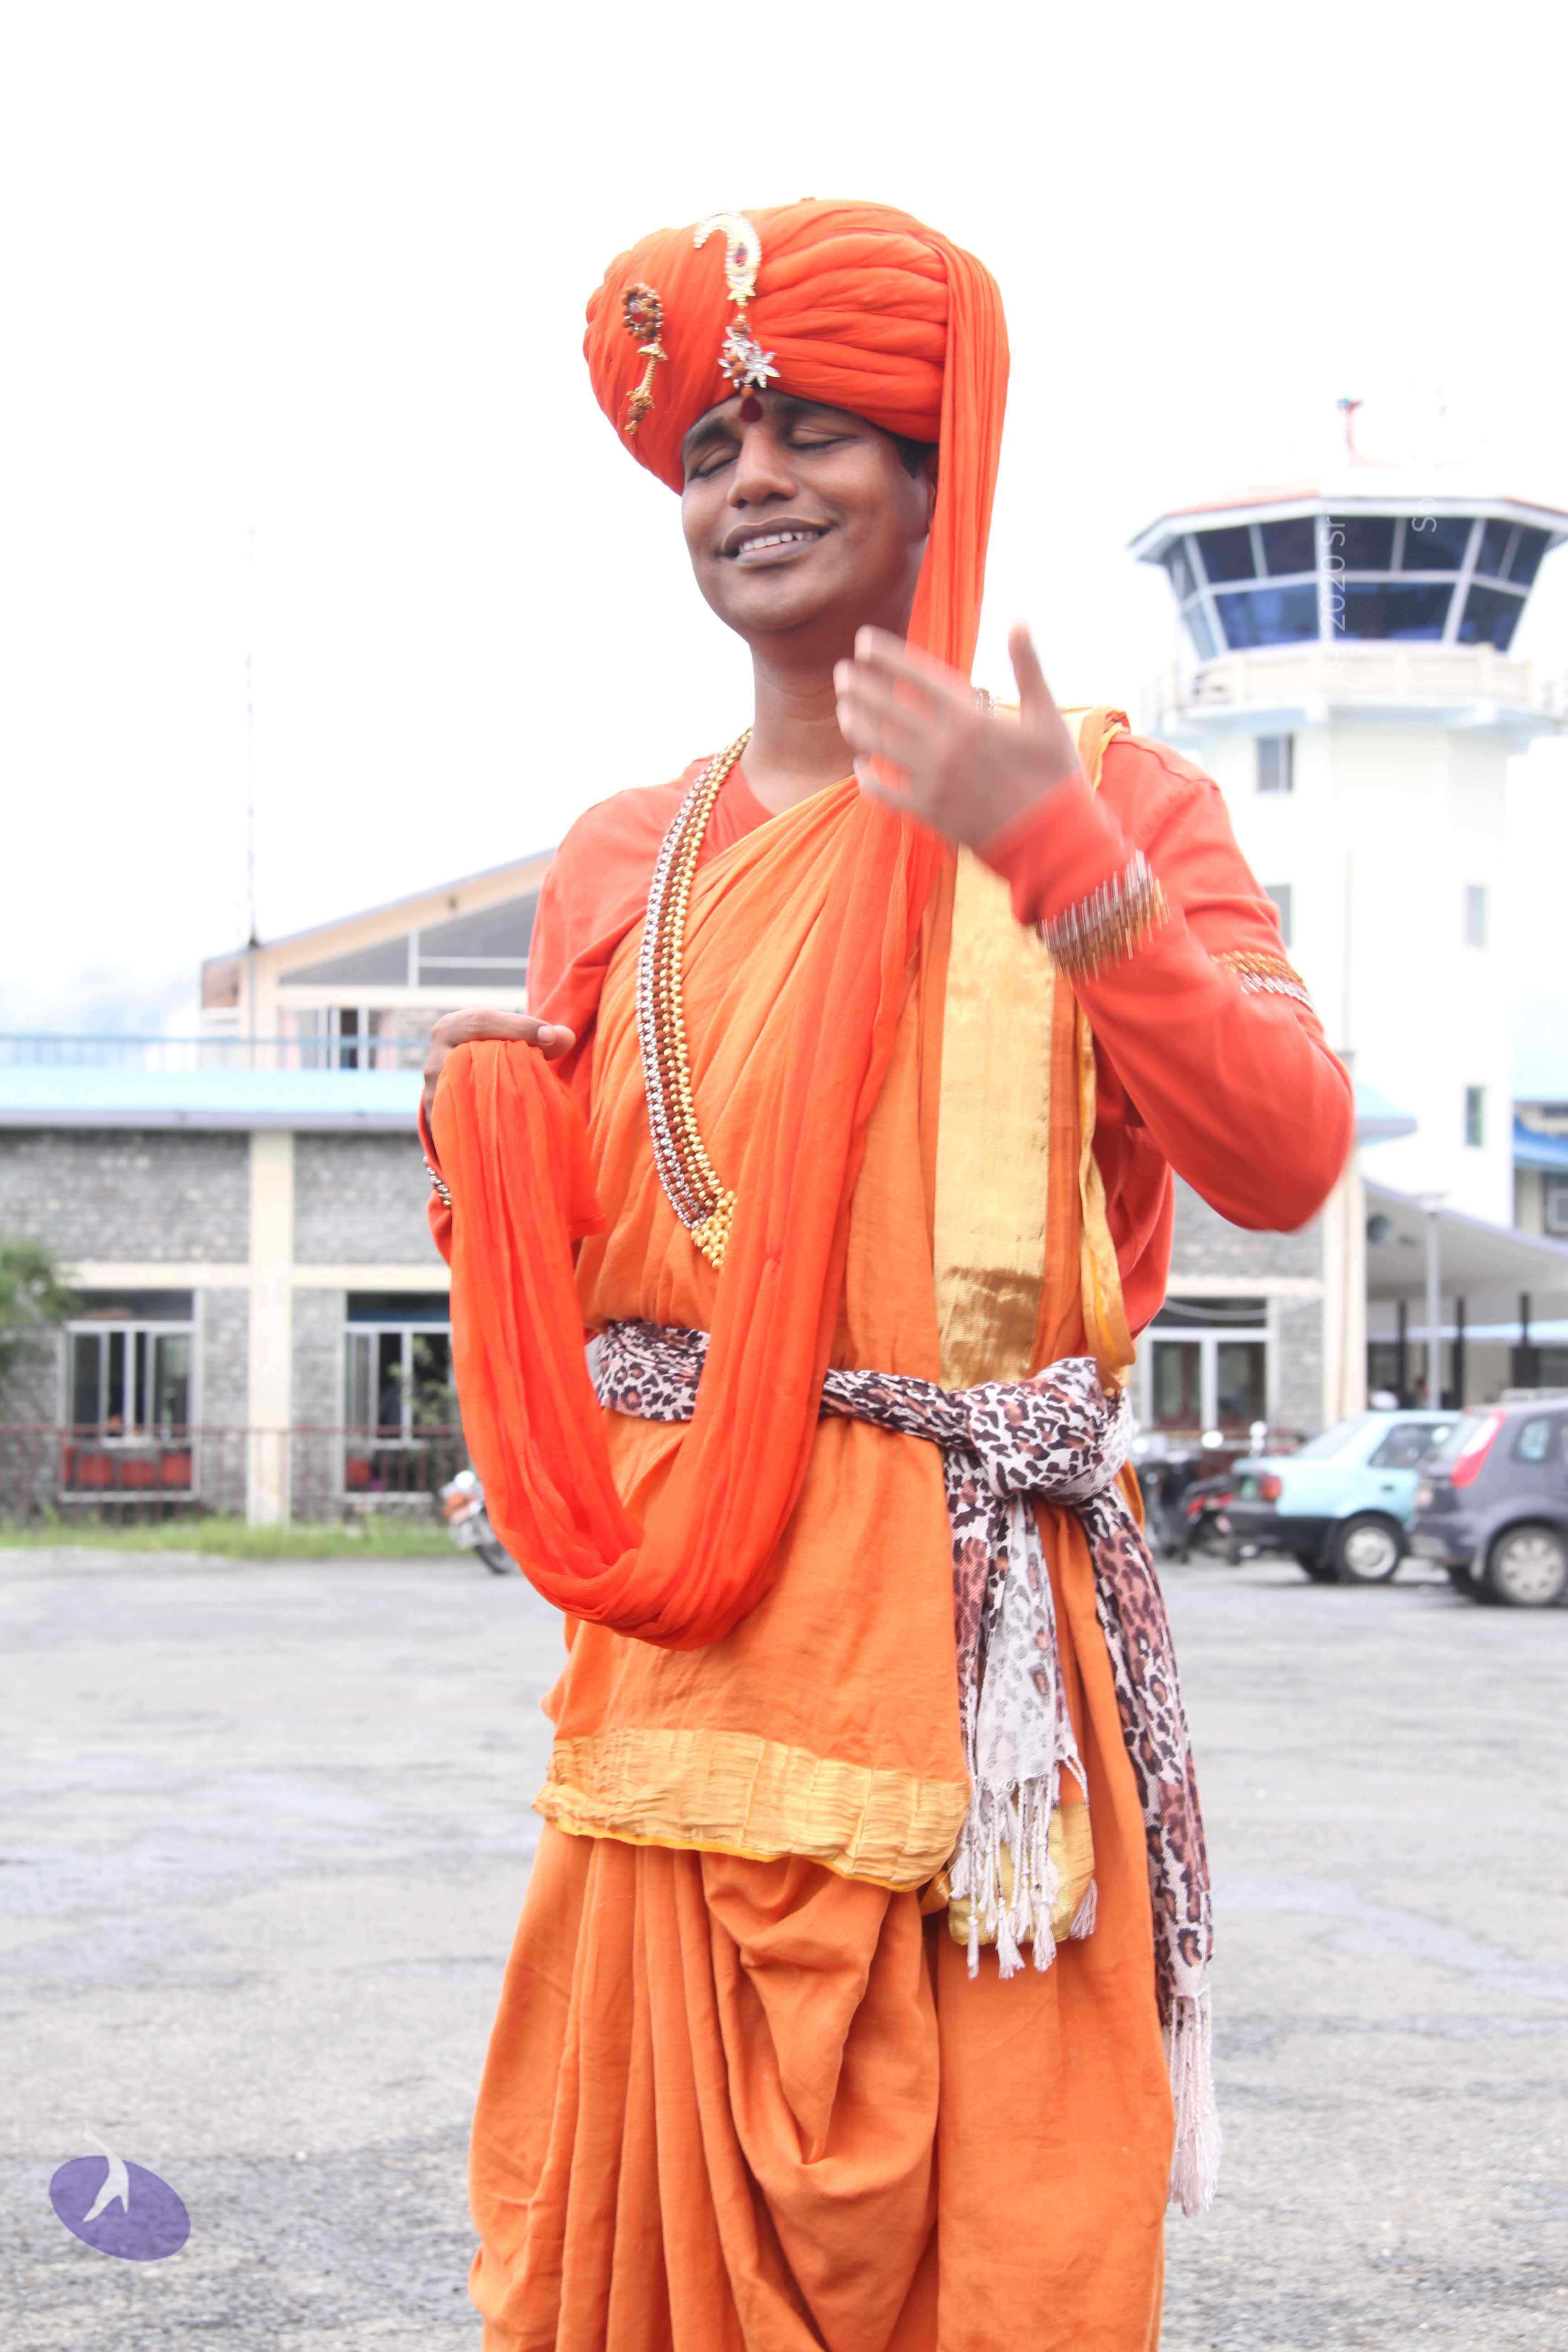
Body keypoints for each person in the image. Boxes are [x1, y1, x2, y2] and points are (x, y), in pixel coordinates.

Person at [418, 201, 1353, 2352]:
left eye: (814, 430)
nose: (751, 479)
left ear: (937, 472)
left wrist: (1054, 857)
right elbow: (585, 1288)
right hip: (677, 1684)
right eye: (710, 448)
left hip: (978, 1692)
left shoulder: (1114, 799)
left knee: (998, 2262)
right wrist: (480, 1146)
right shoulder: (619, 859)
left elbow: (1290, 1153)